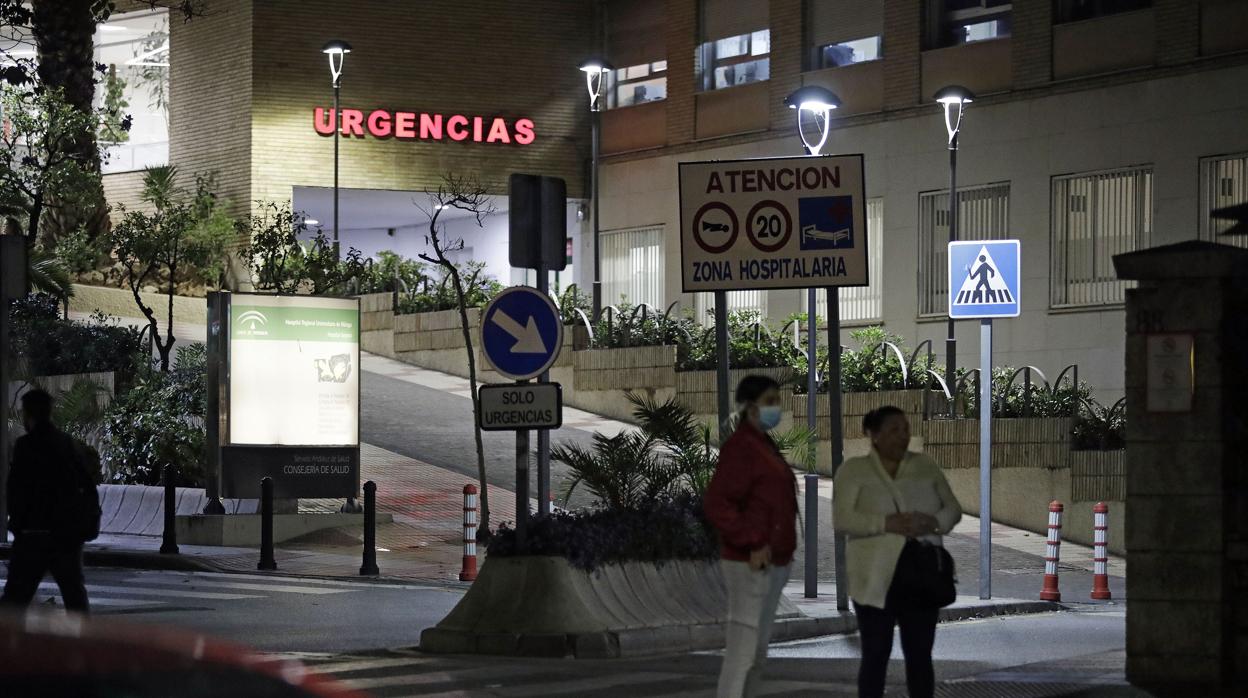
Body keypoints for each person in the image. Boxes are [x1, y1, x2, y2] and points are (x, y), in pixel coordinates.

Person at [833, 406, 962, 698]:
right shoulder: (854, 471)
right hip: (874, 580)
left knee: (920, 658)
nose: (903, 436)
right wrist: (884, 523)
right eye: (894, 430)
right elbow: (842, 520)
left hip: (921, 575)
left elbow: (952, 507)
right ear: (873, 435)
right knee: (875, 656)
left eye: (905, 429)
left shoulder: (924, 465)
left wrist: (935, 522)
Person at [704, 375, 797, 698]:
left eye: (777, 400)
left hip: (772, 560)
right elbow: (718, 501)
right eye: (770, 401)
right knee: (743, 652)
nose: (776, 408)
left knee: (755, 653)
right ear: (749, 406)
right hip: (751, 562)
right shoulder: (742, 447)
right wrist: (753, 540)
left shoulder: (761, 444)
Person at [1, 389, 98, 614]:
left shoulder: (26, 446)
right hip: (65, 535)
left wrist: (17, 525)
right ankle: (83, 644)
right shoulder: (65, 443)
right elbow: (86, 484)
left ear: (28, 414)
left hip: (33, 534)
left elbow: (16, 489)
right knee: (74, 595)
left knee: (15, 598)